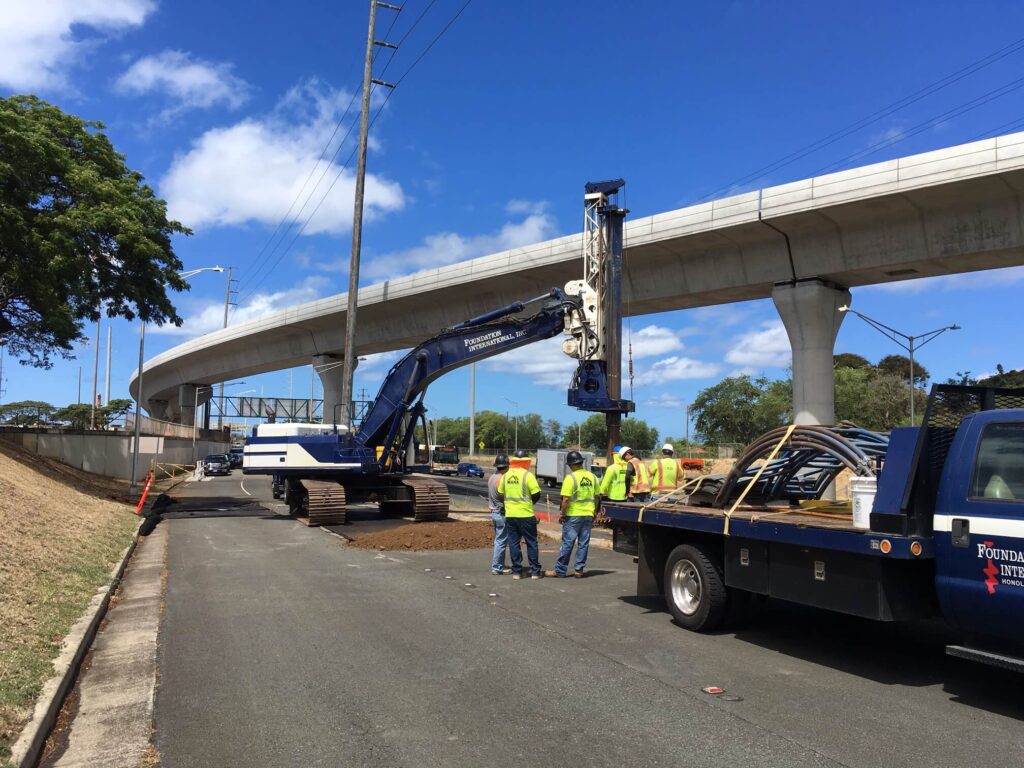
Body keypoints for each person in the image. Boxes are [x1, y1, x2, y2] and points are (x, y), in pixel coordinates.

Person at [545, 451, 600, 578]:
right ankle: (579, 570)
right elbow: (597, 497)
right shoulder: (592, 477)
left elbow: (565, 500)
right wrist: (594, 512)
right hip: (588, 514)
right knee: (583, 543)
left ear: (571, 464)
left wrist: (562, 513)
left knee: (567, 543)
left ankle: (560, 570)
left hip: (573, 515)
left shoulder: (570, 478)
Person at [497, 452, 544, 579]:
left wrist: (509, 504)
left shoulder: (506, 476)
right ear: (525, 462)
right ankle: (535, 571)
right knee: (531, 543)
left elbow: (500, 493)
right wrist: (529, 503)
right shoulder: (528, 476)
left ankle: (517, 571)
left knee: (513, 543)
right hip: (526, 515)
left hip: (511, 515)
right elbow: (536, 494)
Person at [488, 454, 512, 575]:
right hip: (501, 513)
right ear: (506, 466)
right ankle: (497, 567)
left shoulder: (492, 477)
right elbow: (504, 497)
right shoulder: (502, 479)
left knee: (499, 539)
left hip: (494, 512)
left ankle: (498, 564)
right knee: (501, 541)